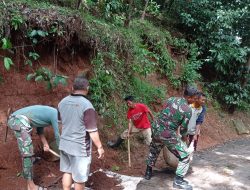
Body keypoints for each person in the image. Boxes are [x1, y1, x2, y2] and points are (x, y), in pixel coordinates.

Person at [144, 86, 198, 190]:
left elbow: (164, 113)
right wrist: (184, 140)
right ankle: (178, 181)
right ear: (189, 98)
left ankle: (148, 172)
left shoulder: (171, 99)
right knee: (185, 155)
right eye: (194, 98)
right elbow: (183, 130)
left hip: (155, 127)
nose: (195, 101)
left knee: (154, 149)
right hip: (167, 133)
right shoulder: (187, 110)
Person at [58, 76, 104, 190]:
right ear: (87, 88)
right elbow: (92, 131)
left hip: (64, 144)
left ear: (73, 87)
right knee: (79, 179)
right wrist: (100, 147)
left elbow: (60, 124)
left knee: (67, 171)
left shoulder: (62, 102)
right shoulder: (87, 105)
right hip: (80, 148)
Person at [7, 105, 60, 190]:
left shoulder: (50, 113)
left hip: (18, 119)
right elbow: (58, 137)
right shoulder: (55, 115)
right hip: (18, 120)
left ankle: (30, 185)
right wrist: (66, 155)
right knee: (27, 153)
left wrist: (45, 143)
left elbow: (40, 128)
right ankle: (31, 186)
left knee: (28, 153)